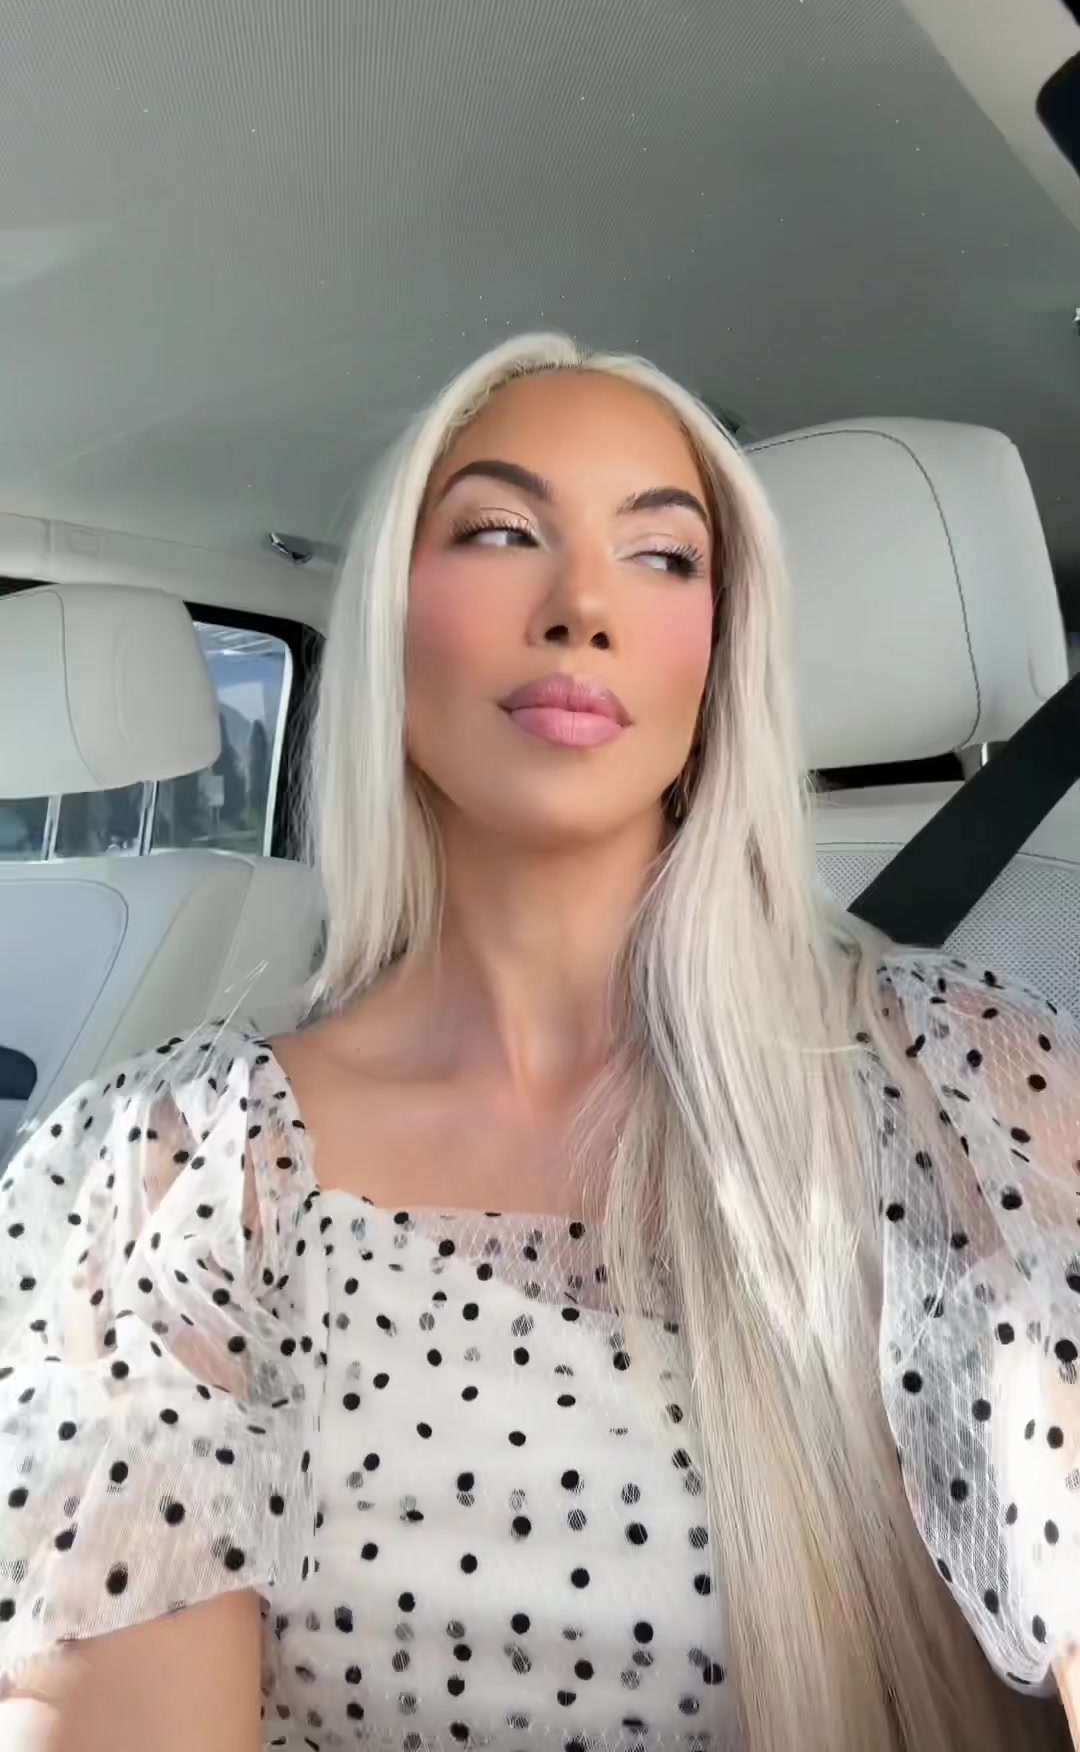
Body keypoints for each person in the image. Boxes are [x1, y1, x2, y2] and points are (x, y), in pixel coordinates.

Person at [0, 334, 1077, 1752]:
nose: (582, 608)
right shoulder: (159, 1172)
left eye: (663, 557)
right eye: (502, 533)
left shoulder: (971, 1090)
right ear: (388, 626)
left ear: (722, 655)